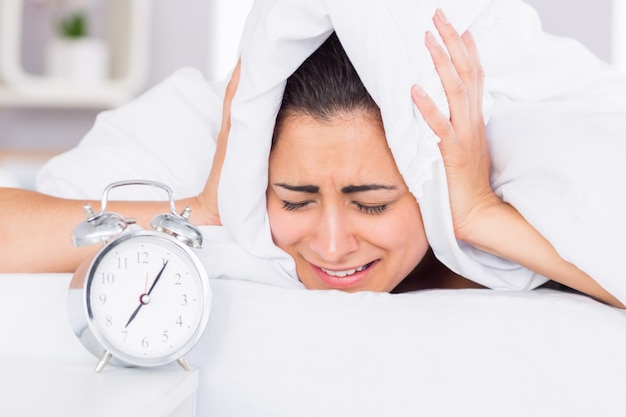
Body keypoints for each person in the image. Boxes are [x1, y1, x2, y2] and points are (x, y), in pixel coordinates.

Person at [0, 10, 622, 308]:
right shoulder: (211, 139)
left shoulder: (488, 176)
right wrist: (205, 210)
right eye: (293, 199)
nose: (330, 244)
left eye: (372, 203)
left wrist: (481, 214)